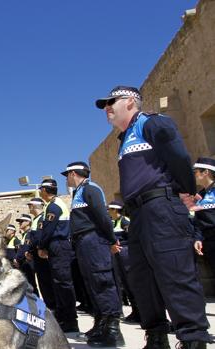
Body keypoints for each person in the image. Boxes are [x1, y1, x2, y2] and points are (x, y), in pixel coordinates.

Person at [95, 85, 212, 348]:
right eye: (105, 105)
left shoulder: (152, 124)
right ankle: (156, 335)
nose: (107, 108)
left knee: (175, 272)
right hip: (138, 214)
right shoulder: (123, 139)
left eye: (112, 101)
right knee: (142, 278)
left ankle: (193, 339)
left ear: (131, 102)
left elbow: (179, 157)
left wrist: (185, 191)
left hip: (161, 207)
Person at [62, 161, 123, 346]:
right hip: (83, 243)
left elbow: (102, 216)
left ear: (73, 173)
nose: (66, 181)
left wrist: (112, 240)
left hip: (94, 239)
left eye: (67, 176)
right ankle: (101, 324)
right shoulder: (79, 192)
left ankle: (113, 331)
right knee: (92, 284)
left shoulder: (91, 189)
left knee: (102, 282)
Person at [37, 178, 79, 333]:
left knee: (63, 282)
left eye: (41, 189)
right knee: (58, 282)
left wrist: (41, 246)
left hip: (59, 245)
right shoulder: (53, 204)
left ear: (45, 190)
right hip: (57, 245)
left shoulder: (54, 206)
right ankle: (64, 316)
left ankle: (70, 320)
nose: (40, 191)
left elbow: (48, 229)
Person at [108, 200, 139, 323]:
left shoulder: (125, 222)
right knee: (124, 283)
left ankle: (139, 310)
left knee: (131, 282)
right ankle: (135, 311)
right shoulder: (113, 222)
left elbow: (132, 238)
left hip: (126, 253)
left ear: (115, 210)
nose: (109, 211)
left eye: (110, 209)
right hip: (117, 255)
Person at [25, 197, 56, 309]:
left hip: (41, 255)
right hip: (36, 255)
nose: (29, 208)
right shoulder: (36, 219)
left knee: (47, 282)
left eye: (29, 205)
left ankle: (52, 306)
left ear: (33, 206)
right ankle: (49, 305)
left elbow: (40, 237)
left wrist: (38, 248)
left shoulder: (42, 218)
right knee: (43, 282)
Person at [192, 157, 215, 289]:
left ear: (205, 172)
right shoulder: (199, 196)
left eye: (196, 172)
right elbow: (198, 221)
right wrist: (198, 238)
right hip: (208, 240)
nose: (194, 175)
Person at [13, 213, 39, 296]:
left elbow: (25, 248)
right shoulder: (24, 234)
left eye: (21, 221)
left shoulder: (29, 233)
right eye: (19, 222)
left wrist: (17, 259)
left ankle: (36, 303)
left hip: (28, 262)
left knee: (31, 285)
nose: (19, 223)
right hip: (23, 263)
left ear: (28, 222)